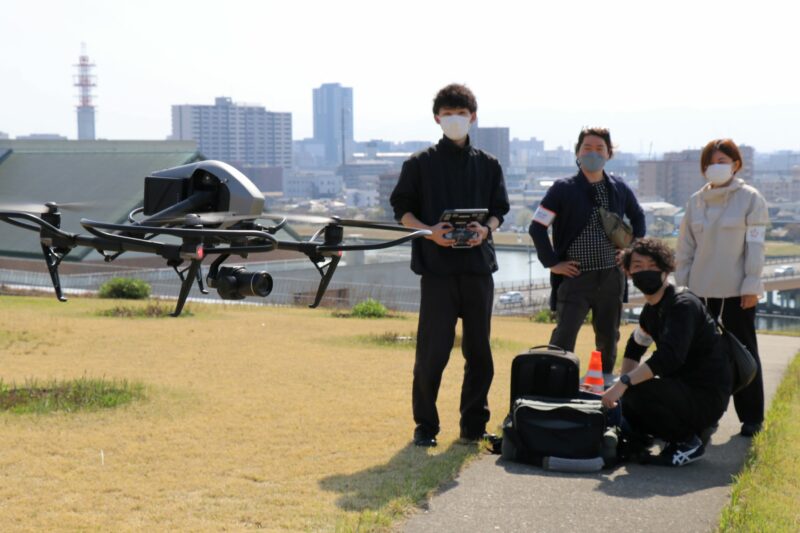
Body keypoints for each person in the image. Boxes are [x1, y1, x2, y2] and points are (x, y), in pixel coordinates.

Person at [390, 83, 510, 447]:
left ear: (473, 117)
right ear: (437, 119)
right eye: (448, 114)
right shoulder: (419, 164)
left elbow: (499, 212)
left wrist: (484, 230)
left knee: (480, 352)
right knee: (432, 351)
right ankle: (425, 426)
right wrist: (429, 232)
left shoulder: (488, 165)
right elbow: (402, 212)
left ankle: (473, 425)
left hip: (477, 268)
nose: (455, 119)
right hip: (437, 270)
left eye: (461, 113)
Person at [529, 127, 645, 385]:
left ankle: (602, 388)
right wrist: (553, 264)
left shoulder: (619, 188)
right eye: (587, 148)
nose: (593, 153)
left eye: (599, 149)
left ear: (609, 153)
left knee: (608, 336)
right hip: (575, 277)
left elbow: (638, 217)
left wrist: (629, 251)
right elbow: (537, 227)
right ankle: (553, 385)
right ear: (578, 153)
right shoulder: (562, 189)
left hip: (611, 277)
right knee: (564, 334)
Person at [602, 238, 732, 466]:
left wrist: (624, 383)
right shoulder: (651, 309)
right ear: (628, 272)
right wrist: (621, 389)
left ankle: (688, 442)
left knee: (637, 391)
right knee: (630, 396)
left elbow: (669, 358)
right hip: (683, 391)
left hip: (706, 395)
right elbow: (635, 345)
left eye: (653, 266)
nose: (646, 272)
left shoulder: (683, 305)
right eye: (638, 267)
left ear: (665, 269)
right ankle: (647, 435)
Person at [675, 138, 769, 437]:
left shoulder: (751, 198)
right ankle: (705, 415)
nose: (718, 166)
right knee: (703, 357)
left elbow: (755, 246)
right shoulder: (695, 202)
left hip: (737, 291)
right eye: (712, 161)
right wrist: (683, 286)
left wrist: (752, 284)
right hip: (700, 290)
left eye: (724, 161)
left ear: (737, 165)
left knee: (745, 355)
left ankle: (752, 417)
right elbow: (685, 248)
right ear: (704, 167)